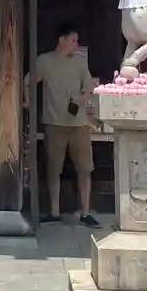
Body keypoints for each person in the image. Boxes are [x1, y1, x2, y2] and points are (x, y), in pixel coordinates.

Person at [29, 22, 99, 228]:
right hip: (54, 123)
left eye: (77, 41)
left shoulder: (80, 62)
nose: (76, 44)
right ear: (61, 40)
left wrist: (80, 99)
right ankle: (54, 211)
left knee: (85, 168)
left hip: (79, 124)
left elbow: (89, 88)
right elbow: (28, 82)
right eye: (73, 40)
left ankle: (86, 212)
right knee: (53, 168)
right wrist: (26, 103)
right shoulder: (44, 61)